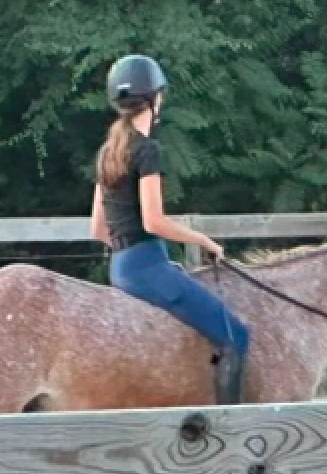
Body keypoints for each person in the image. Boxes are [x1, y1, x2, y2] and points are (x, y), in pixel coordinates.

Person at [90, 54, 251, 404]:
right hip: (147, 268)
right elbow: (154, 222)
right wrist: (204, 241)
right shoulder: (146, 150)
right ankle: (229, 425)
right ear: (154, 99)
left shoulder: (107, 152)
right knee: (235, 336)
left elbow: (98, 228)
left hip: (120, 269)